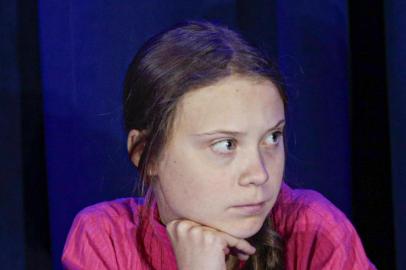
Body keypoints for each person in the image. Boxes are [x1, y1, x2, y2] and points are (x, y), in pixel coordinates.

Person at [61, 20, 376, 270]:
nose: (260, 175)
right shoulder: (105, 240)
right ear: (146, 153)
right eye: (226, 144)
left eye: (272, 138)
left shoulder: (314, 229)